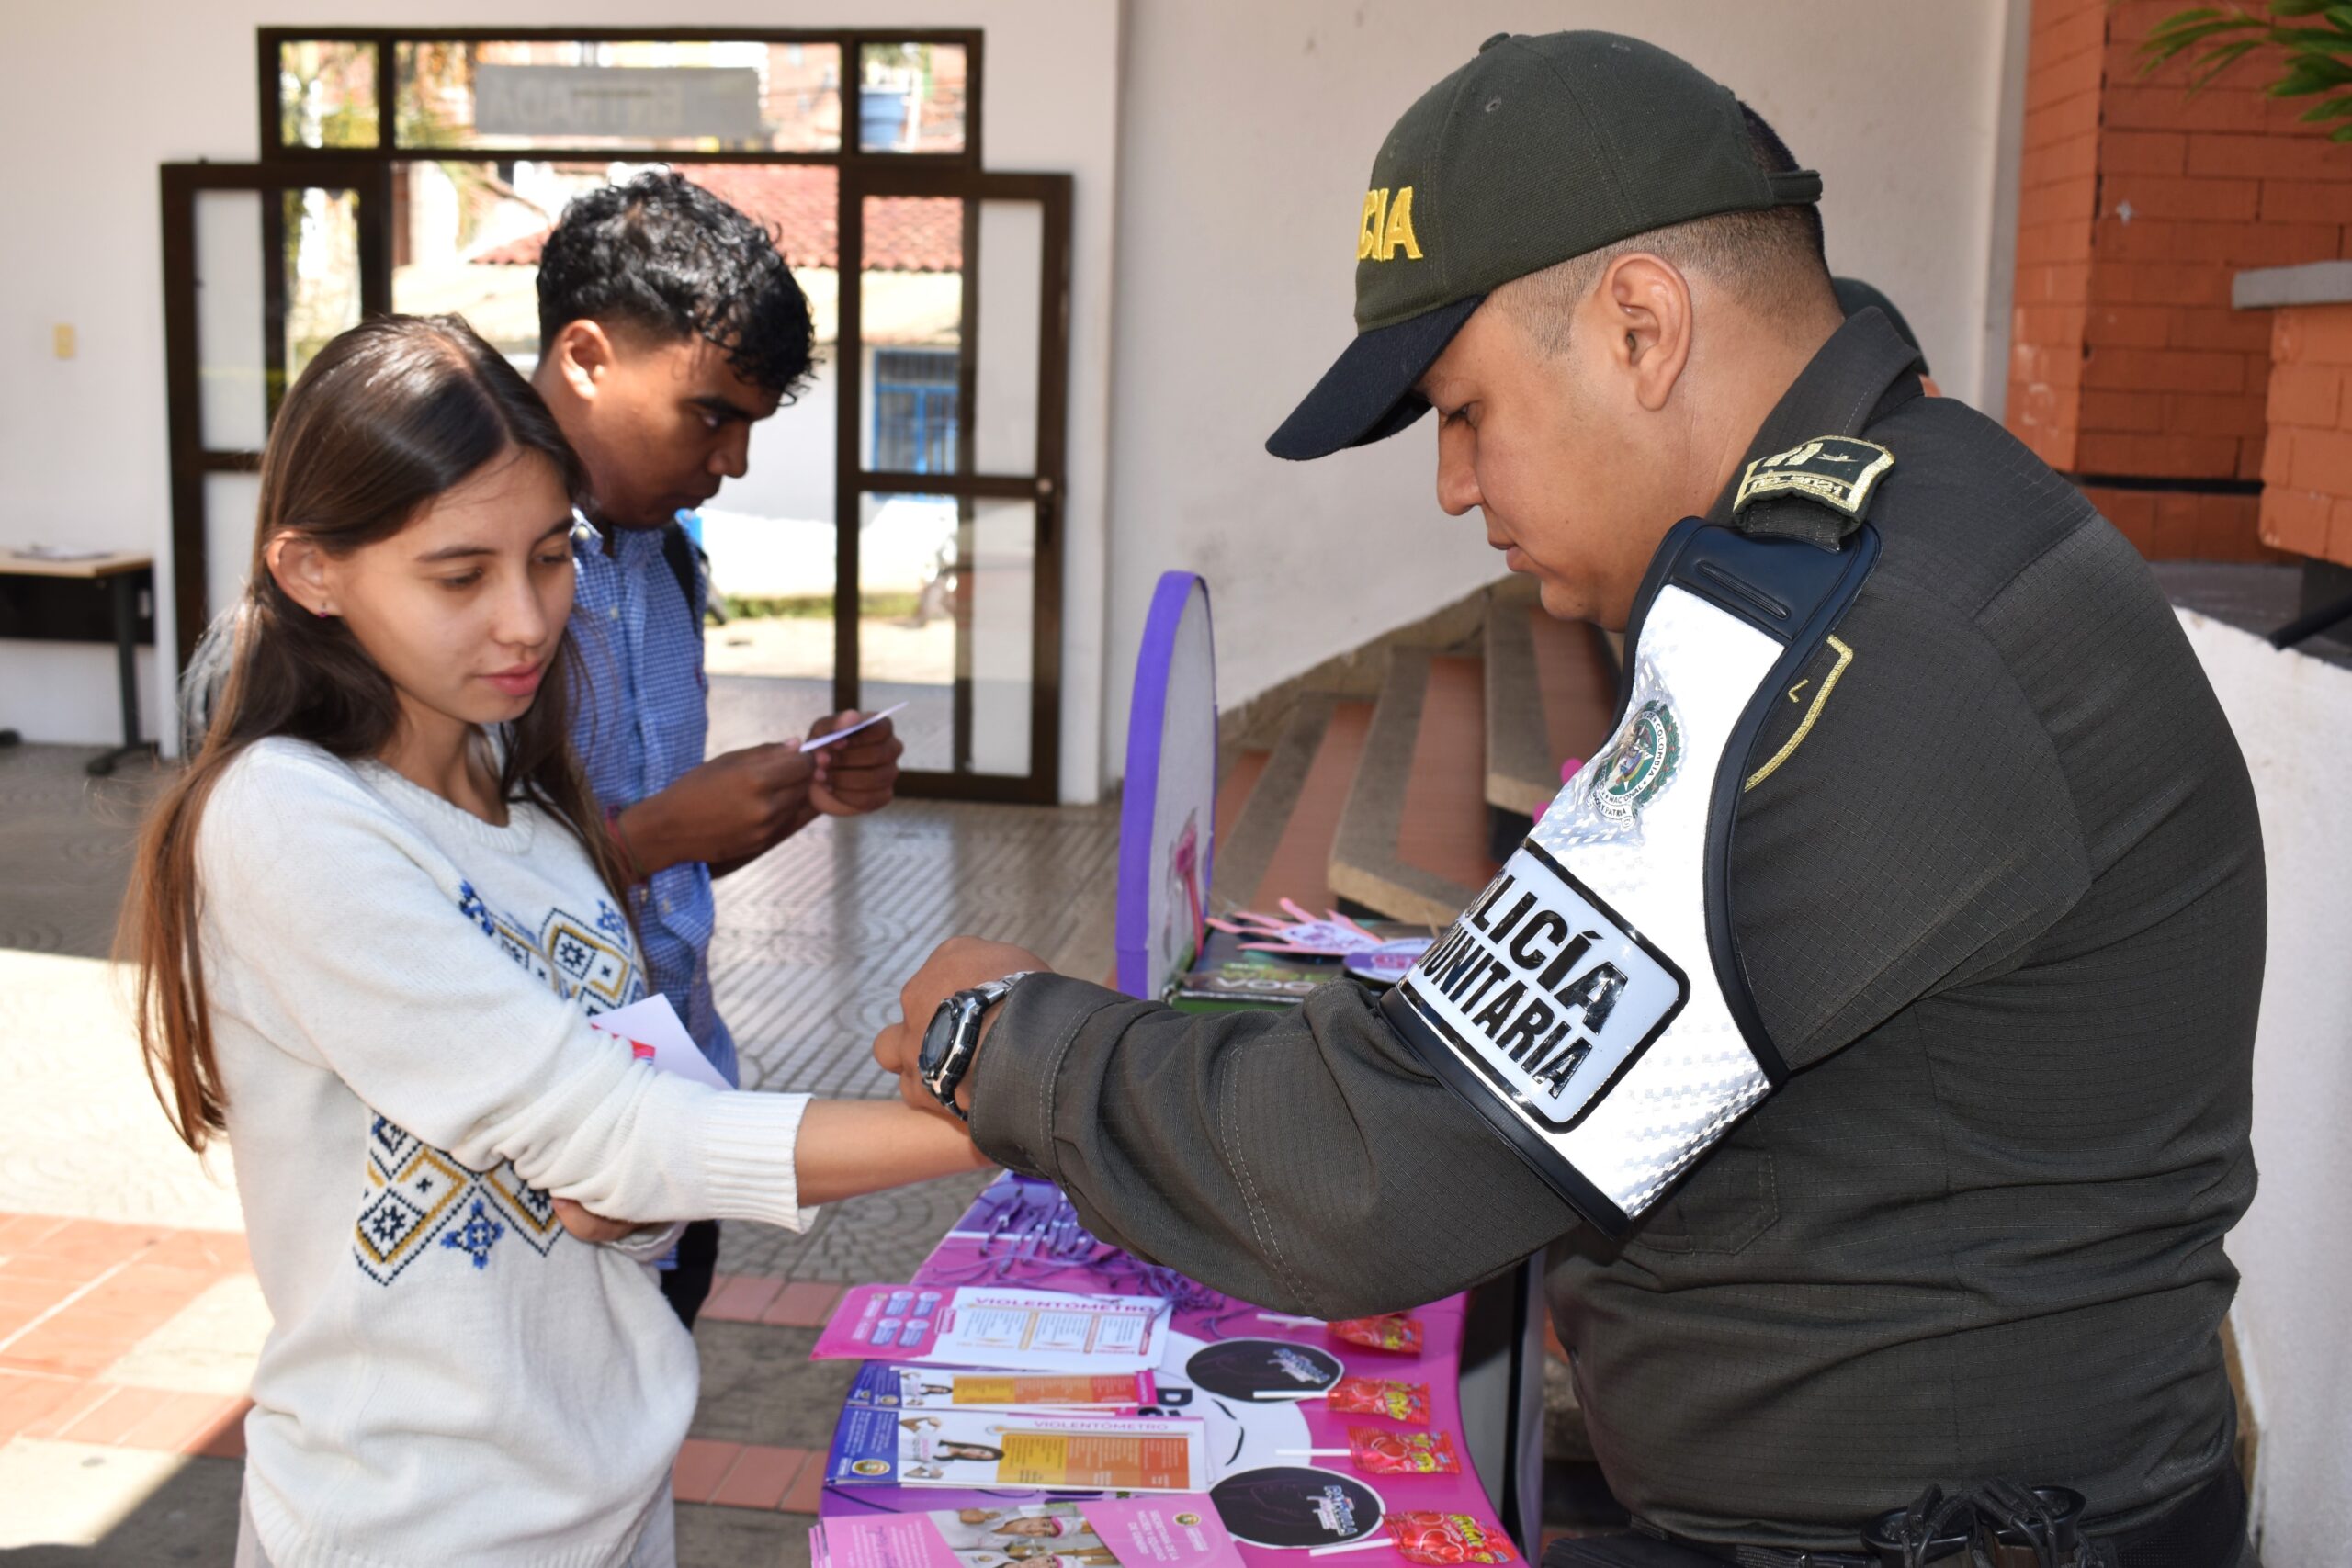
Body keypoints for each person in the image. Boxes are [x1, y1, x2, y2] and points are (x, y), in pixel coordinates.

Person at [867, 31, 2263, 1568]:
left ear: (1643, 327)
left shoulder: (1866, 648)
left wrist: (1008, 1042)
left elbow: (1373, 1169)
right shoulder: (1884, 532)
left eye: (1466, 411)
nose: (1455, 486)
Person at [119, 314, 990, 1568]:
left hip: (610, 1489)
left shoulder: (521, 798)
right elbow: (619, 1132)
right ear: (312, 570)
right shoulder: (286, 814)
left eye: (550, 556)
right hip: (416, 1523)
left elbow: (626, 1158)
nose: (527, 621)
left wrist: (632, 1197)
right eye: (459, 575)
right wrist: (1000, 1108)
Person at [530, 170, 907, 1327]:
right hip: (540, 1133)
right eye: (710, 415)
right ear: (586, 356)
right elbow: (430, 881)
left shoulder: (661, 559)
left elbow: (653, 849)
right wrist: (649, 840)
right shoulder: (484, 578)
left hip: (677, 1088)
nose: (733, 462)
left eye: (753, 424)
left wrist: (787, 795)